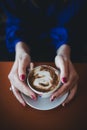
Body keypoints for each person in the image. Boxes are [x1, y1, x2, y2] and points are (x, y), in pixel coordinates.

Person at [1, 0, 86, 107]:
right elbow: (14, 20)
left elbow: (74, 22)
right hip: (26, 48)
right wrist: (20, 51)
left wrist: (64, 52)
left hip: (68, 49)